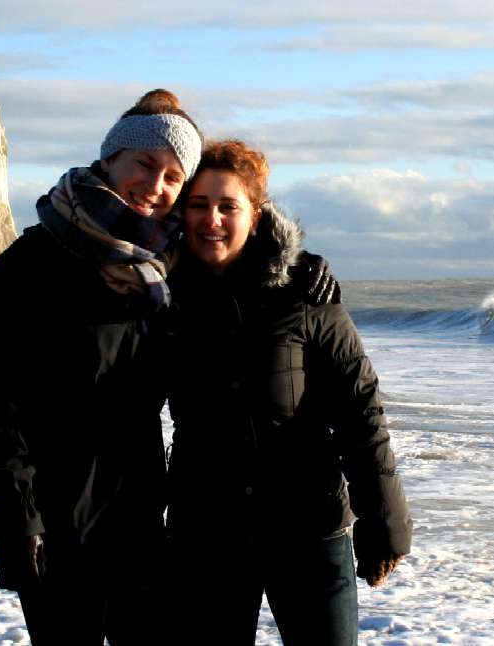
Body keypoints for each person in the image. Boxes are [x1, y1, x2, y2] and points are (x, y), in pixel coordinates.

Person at [0, 91, 334, 643]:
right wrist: (18, 512)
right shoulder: (33, 263)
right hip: (54, 519)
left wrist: (300, 265)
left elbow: (237, 245)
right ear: (110, 157)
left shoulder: (167, 265)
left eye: (172, 177)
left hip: (138, 520)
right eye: (145, 164)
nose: (155, 186)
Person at [164, 139, 412, 645]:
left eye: (228, 206)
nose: (212, 218)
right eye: (199, 204)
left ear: (255, 217)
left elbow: (359, 406)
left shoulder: (303, 292)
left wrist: (384, 520)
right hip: (207, 531)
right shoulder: (160, 293)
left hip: (308, 526)